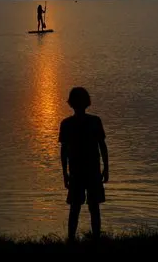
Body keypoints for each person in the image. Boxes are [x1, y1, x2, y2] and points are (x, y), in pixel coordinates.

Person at [58, 87, 109, 242]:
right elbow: (102, 146)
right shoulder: (93, 121)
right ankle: (90, 238)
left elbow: (64, 152)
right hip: (85, 170)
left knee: (79, 207)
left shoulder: (68, 124)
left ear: (71, 103)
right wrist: (106, 168)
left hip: (83, 171)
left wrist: (64, 173)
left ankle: (75, 239)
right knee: (88, 207)